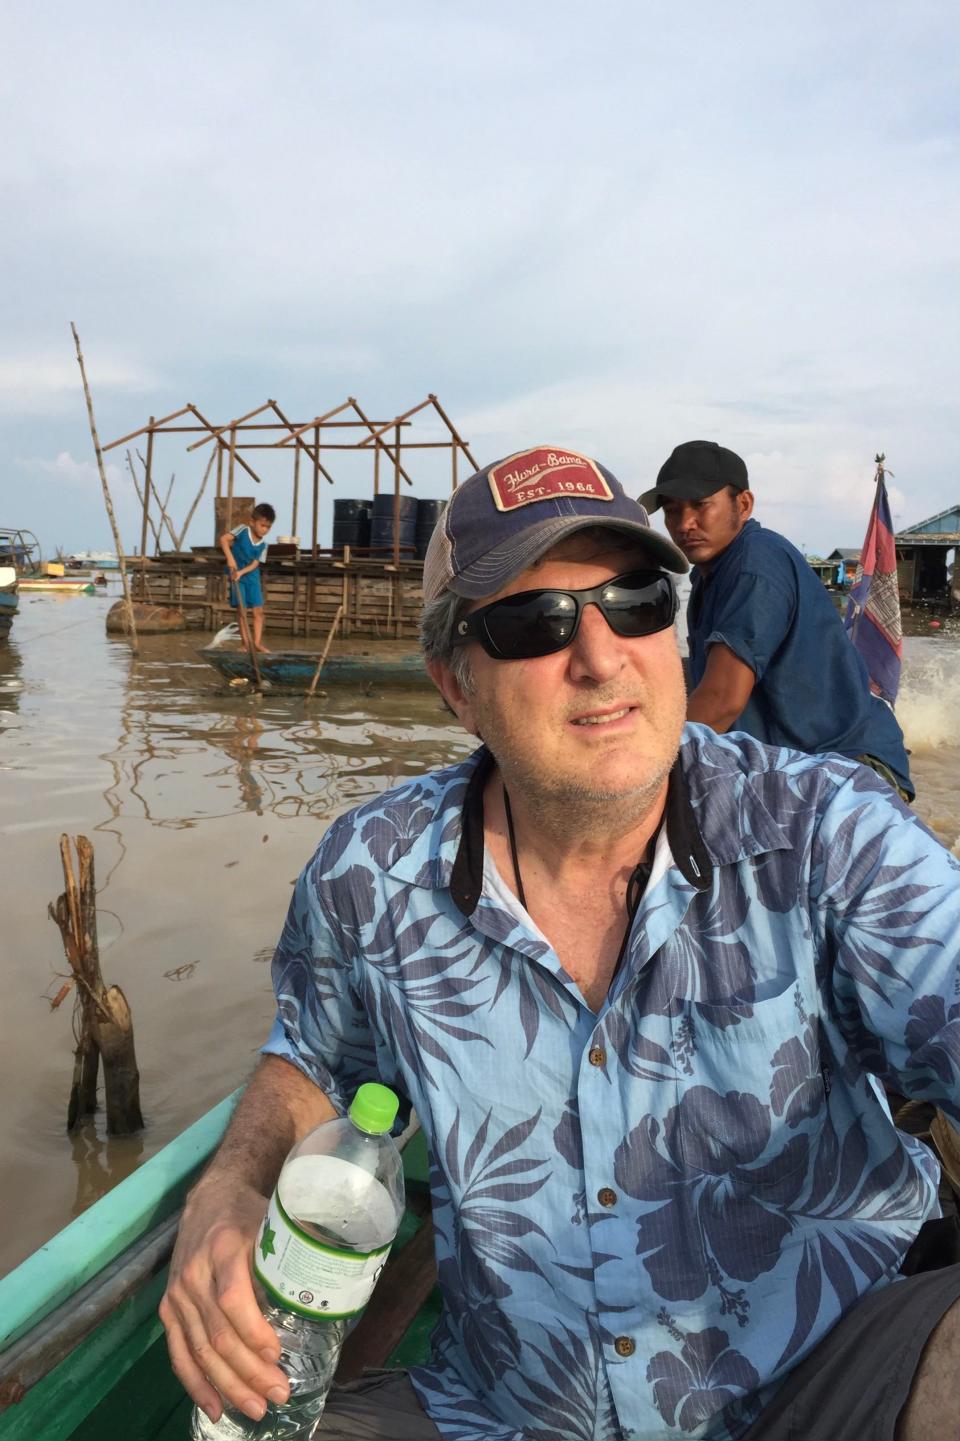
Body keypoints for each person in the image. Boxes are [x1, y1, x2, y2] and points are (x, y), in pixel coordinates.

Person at [162, 445, 960, 1441]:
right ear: (457, 686)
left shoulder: (830, 838)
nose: (600, 655)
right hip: (507, 1407)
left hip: (830, 1378)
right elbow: (311, 1061)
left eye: (634, 600)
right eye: (535, 623)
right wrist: (230, 1190)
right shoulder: (371, 873)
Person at [641, 440, 914, 800]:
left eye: (700, 505)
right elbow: (704, 679)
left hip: (850, 770)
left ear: (743, 504)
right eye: (672, 511)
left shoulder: (755, 564)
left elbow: (722, 700)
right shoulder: (708, 577)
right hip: (797, 766)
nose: (684, 523)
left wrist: (642, 771)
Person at [219, 502, 275, 654]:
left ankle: (256, 643)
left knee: (258, 611)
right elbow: (224, 539)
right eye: (262, 525)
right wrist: (230, 559)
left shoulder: (264, 545)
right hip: (235, 575)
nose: (264, 530)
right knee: (242, 610)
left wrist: (242, 572)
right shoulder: (243, 530)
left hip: (251, 576)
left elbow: (256, 563)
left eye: (268, 527)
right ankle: (245, 644)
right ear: (252, 522)